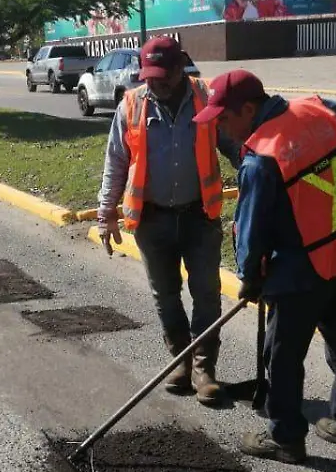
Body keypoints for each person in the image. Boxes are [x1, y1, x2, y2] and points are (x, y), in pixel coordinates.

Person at [190, 70, 336, 464]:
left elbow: (251, 229)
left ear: (249, 109)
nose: (220, 128)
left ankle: (285, 438)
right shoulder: (319, 110)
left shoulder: (261, 155)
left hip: (302, 270)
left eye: (224, 119)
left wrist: (250, 277)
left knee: (282, 356)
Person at [98, 36, 239, 406]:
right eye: (149, 76)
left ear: (180, 68)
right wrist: (106, 213)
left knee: (206, 293)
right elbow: (116, 162)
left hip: (199, 216)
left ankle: (204, 368)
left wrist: (261, 178)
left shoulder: (206, 98)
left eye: (163, 76)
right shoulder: (131, 104)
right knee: (165, 294)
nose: (155, 83)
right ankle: (180, 360)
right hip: (152, 219)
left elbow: (236, 146)